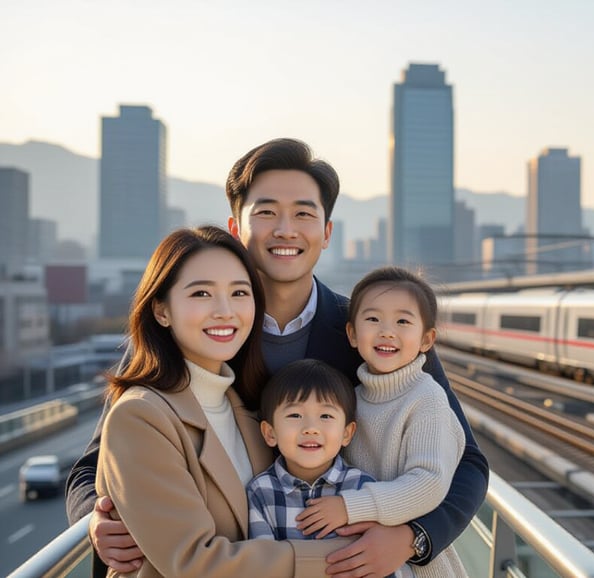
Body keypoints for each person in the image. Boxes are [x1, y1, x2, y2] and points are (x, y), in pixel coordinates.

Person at [67, 138, 489, 578]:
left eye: (304, 214)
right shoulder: (196, 334)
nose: (286, 230)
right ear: (236, 228)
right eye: (266, 212)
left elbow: (468, 461)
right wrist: (96, 522)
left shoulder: (374, 330)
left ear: (327, 232)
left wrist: (412, 538)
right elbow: (99, 461)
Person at [96, 226, 344, 577]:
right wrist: (344, 555)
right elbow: (195, 562)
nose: (225, 311)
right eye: (201, 293)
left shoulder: (245, 406)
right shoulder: (140, 417)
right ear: (162, 311)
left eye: (239, 292)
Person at [295, 266, 467, 577]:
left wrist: (349, 507)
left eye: (403, 321)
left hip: (421, 568)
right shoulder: (350, 399)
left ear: (426, 339)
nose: (387, 331)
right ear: (352, 334)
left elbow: (429, 482)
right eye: (373, 319)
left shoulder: (427, 398)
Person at [246, 358, 410, 577]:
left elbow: (381, 563)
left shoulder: (363, 488)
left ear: (346, 433)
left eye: (326, 416)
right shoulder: (261, 491)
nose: (311, 428)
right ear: (270, 433)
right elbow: (263, 565)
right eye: (295, 415)